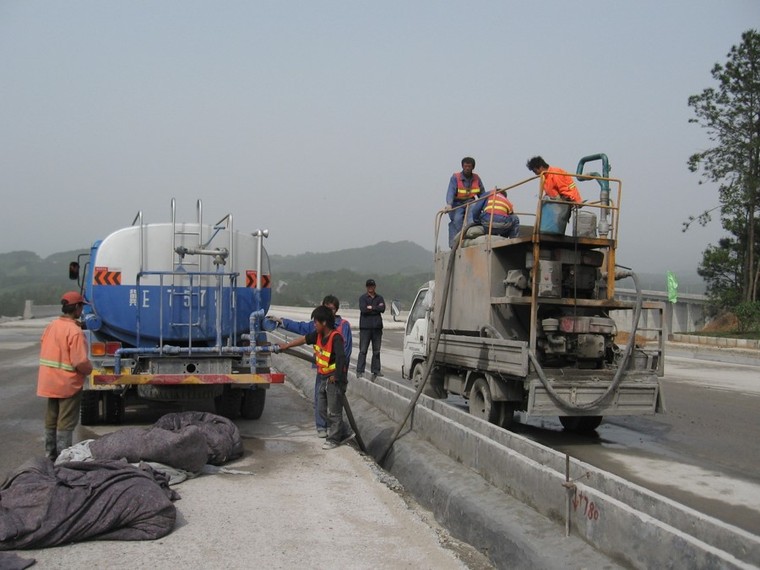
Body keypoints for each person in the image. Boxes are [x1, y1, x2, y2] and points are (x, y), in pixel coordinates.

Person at [269, 295, 352, 438]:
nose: (315, 324)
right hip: (322, 373)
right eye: (326, 308)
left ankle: (338, 435)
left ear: (335, 310)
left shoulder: (341, 328)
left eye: (331, 309)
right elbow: (302, 332)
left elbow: (343, 354)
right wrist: (282, 323)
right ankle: (323, 427)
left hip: (334, 376)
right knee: (320, 403)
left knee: (334, 408)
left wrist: (338, 376)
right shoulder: (318, 328)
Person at [37, 291, 93, 460]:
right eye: (81, 306)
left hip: (48, 381)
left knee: (51, 419)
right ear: (77, 308)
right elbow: (80, 361)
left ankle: (50, 455)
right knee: (66, 423)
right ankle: (63, 458)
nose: (82, 310)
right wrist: (90, 370)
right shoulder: (74, 331)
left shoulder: (51, 326)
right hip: (67, 384)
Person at [446, 157, 485, 247]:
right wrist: (449, 204)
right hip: (457, 203)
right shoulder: (455, 177)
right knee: (457, 219)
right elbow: (450, 191)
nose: (467, 168)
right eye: (465, 166)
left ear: (472, 167)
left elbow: (482, 194)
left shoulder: (477, 178)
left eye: (469, 166)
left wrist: (485, 206)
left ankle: (470, 236)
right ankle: (458, 241)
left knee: (472, 216)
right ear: (462, 166)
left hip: (470, 202)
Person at [356, 279, 385, 381]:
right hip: (365, 328)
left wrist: (371, 308)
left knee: (376, 351)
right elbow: (363, 309)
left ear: (375, 286)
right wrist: (375, 308)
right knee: (363, 350)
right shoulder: (363, 298)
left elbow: (382, 309)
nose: (370, 288)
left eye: (372, 286)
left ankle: (376, 370)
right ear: (366, 287)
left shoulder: (380, 297)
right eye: (369, 286)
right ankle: (359, 370)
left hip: (377, 328)